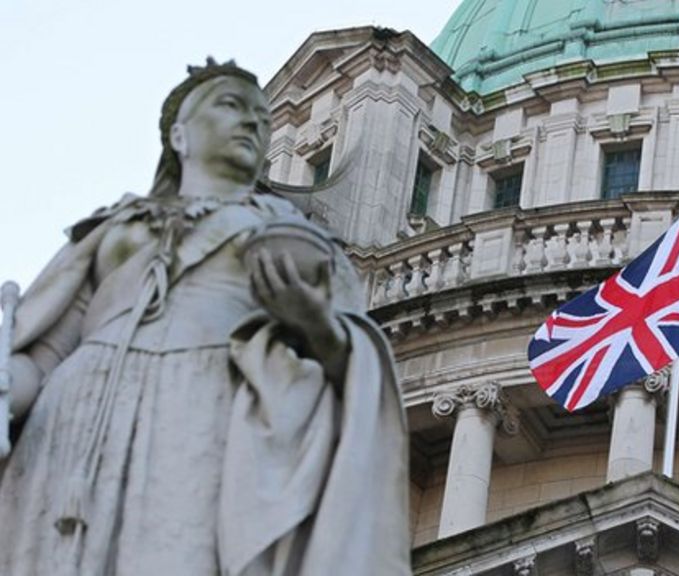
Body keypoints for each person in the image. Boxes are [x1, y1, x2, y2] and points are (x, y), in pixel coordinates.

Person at [0, 59, 411, 575]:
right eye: (231, 106)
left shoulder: (292, 235)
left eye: (261, 118)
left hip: (205, 406)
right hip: (75, 421)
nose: (251, 124)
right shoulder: (109, 230)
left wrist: (313, 325)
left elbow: (350, 361)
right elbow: (41, 357)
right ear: (178, 134)